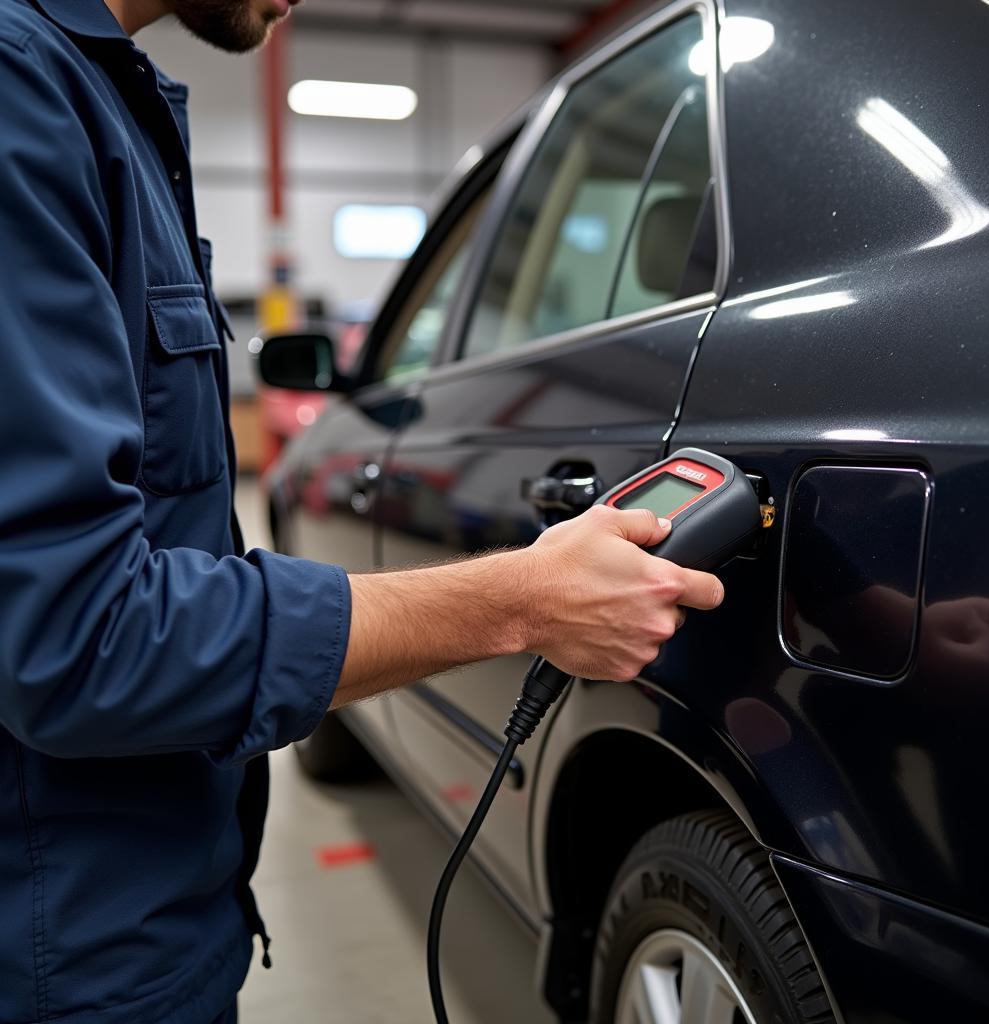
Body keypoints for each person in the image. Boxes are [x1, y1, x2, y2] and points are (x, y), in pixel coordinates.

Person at [0, 1, 725, 1022]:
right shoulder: (25, 95)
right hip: (67, 947)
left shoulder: (96, 104)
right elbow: (80, 636)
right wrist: (516, 600)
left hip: (129, 907)